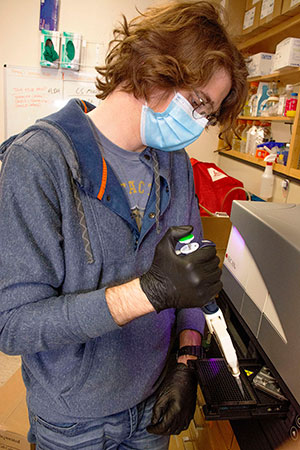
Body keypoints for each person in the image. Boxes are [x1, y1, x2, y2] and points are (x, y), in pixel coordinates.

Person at [0, 1, 247, 449]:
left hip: (153, 404)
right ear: (155, 67)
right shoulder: (39, 163)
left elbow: (190, 279)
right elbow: (14, 325)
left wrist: (187, 359)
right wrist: (147, 292)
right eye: (197, 104)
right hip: (73, 422)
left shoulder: (174, 165)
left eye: (206, 114)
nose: (197, 124)